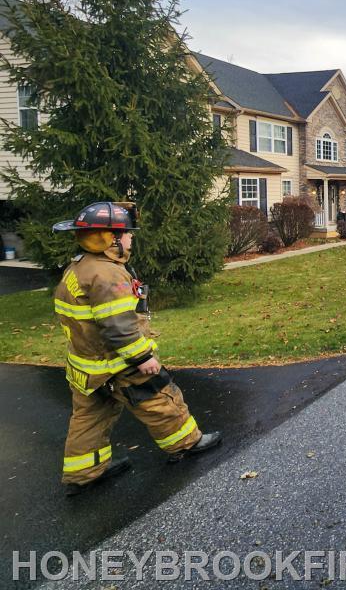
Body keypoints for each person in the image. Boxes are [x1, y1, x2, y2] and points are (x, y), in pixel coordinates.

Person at [52, 201, 222, 496]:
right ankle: (186, 443)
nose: (131, 238)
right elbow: (118, 325)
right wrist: (142, 357)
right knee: (160, 399)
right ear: (109, 238)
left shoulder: (78, 268)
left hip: (86, 369)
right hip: (119, 365)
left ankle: (84, 473)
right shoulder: (107, 275)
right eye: (127, 233)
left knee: (88, 419)